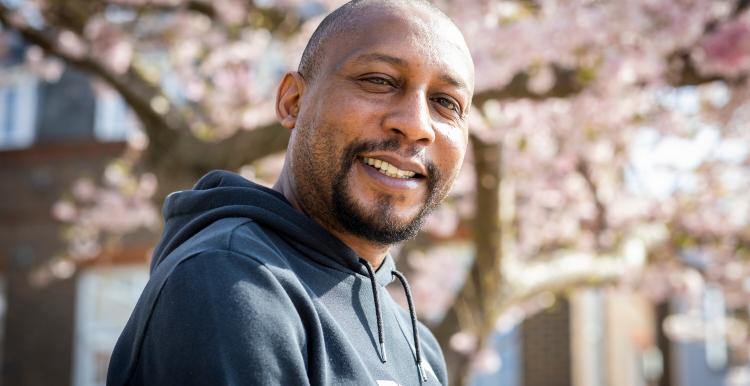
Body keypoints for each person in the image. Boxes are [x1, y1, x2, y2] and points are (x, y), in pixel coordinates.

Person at [106, 0, 474, 384]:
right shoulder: (230, 281)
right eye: (379, 80)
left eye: (446, 103)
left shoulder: (421, 347)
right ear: (292, 102)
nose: (416, 124)